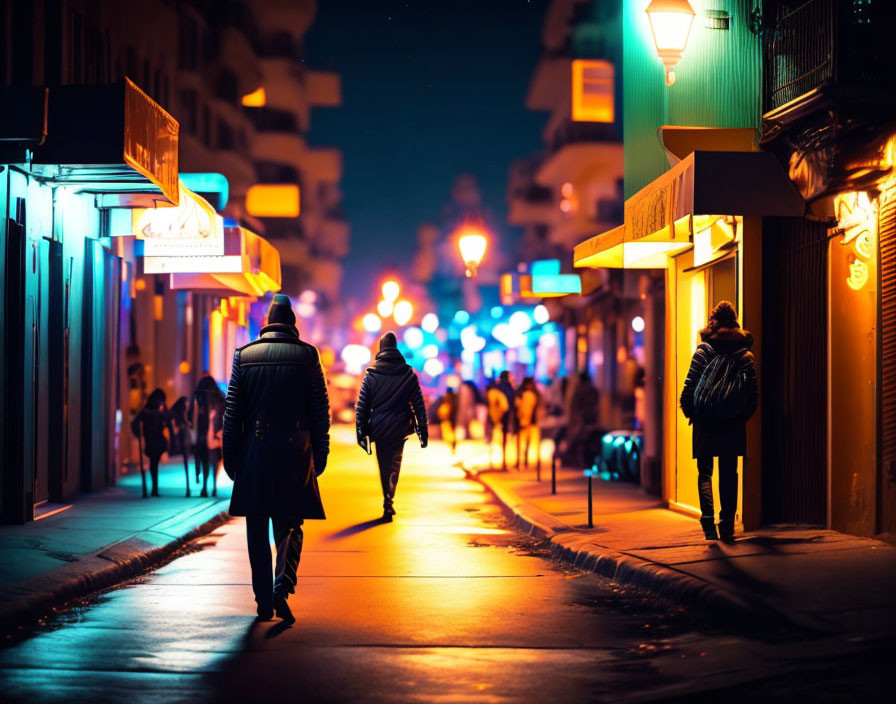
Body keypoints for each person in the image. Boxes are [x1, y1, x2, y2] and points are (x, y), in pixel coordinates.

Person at [222, 294, 330, 624]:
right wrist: (320, 455)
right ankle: (281, 584)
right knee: (290, 523)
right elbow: (320, 413)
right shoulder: (308, 356)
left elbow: (232, 413)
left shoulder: (245, 355)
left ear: (266, 323)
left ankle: (262, 601)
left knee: (256, 527)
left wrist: (231, 459)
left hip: (254, 450)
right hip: (295, 450)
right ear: (293, 324)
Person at [680, 301, 758, 543]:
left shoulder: (704, 350)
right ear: (735, 323)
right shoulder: (745, 354)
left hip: (705, 422)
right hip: (733, 423)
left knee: (705, 473)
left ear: (712, 322)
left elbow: (688, 389)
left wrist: (694, 414)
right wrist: (739, 417)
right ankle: (727, 524)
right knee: (729, 472)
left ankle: (708, 524)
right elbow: (753, 395)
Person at [355, 332, 428, 521]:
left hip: (378, 428)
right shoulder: (408, 374)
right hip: (400, 427)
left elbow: (362, 406)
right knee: (395, 463)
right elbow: (418, 404)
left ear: (381, 350)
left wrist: (361, 432)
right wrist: (423, 430)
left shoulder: (371, 375)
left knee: (383, 463)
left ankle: (386, 497)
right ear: (396, 349)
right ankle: (389, 499)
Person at [130, 388, 174, 497]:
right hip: (153, 439)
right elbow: (135, 423)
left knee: (154, 463)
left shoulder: (151, 411)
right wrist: (138, 433)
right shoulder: (149, 412)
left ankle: (154, 488)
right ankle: (154, 488)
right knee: (154, 463)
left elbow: (167, 419)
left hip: (156, 439)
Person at [190, 375, 225, 498]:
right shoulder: (219, 398)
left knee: (205, 459)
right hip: (213, 434)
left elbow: (193, 417)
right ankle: (212, 486)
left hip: (204, 434)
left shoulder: (200, 398)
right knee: (213, 460)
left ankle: (206, 486)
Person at [515, 377, 541, 470]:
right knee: (522, 441)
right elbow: (523, 409)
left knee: (527, 442)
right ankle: (520, 460)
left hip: (530, 421)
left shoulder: (532, 394)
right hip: (524, 421)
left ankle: (523, 460)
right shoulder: (525, 395)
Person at [485, 378, 509, 469]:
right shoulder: (499, 394)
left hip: (493, 419)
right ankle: (499, 461)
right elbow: (505, 407)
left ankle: (492, 461)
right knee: (499, 441)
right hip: (498, 419)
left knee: (492, 440)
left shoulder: (490, 394)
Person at [171, 396, 192, 497]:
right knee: (185, 460)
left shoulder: (180, 414)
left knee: (186, 461)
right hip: (184, 436)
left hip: (183, 436)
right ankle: (188, 487)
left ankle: (188, 487)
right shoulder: (182, 415)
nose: (187, 405)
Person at [438, 387, 458, 454]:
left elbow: (442, 410)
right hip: (451, 420)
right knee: (451, 434)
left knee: (448, 434)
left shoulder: (446, 399)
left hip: (446, 420)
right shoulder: (454, 399)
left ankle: (452, 445)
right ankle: (452, 446)